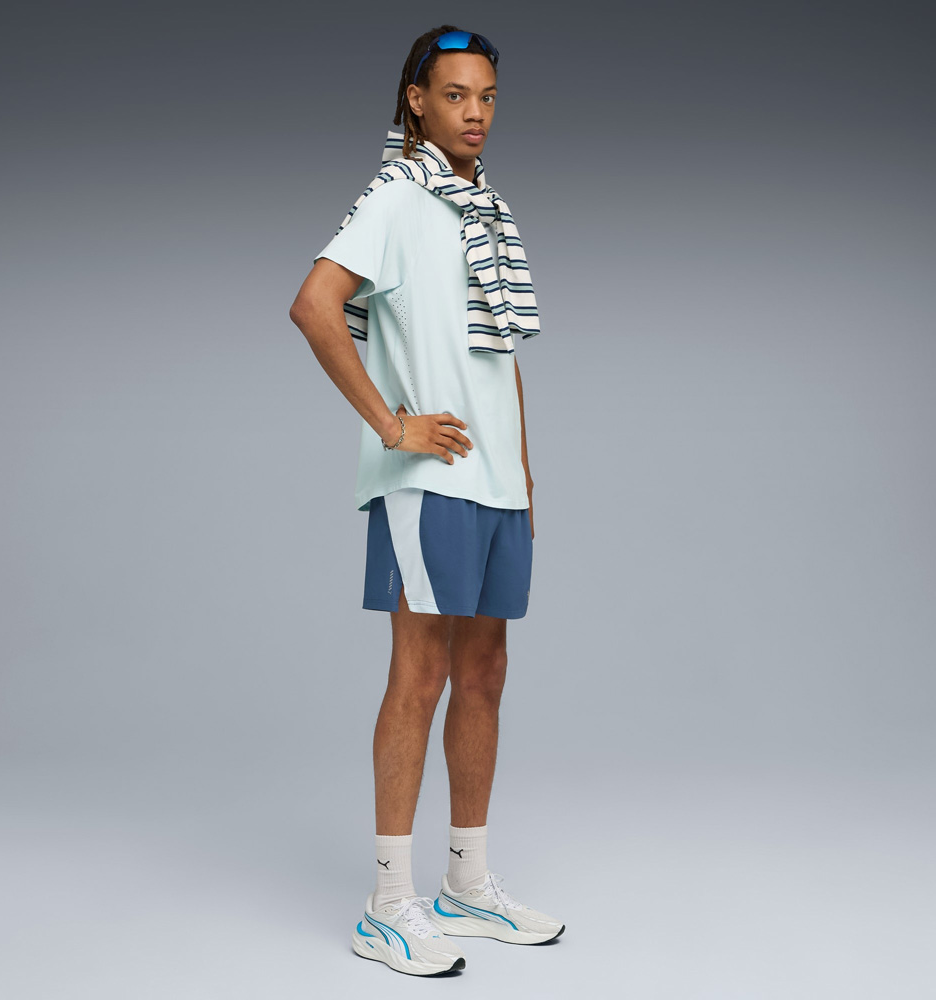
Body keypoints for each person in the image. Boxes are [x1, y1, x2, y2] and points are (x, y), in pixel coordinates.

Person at [289, 25, 564, 977]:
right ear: (416, 101)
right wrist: (390, 424)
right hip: (429, 480)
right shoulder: (398, 198)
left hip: (493, 481)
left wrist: (523, 472)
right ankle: (386, 903)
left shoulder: (482, 209)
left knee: (484, 672)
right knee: (420, 674)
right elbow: (314, 305)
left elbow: (499, 351)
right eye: (455, 95)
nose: (475, 113)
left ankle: (466, 885)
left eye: (487, 96)